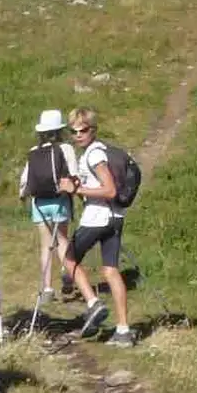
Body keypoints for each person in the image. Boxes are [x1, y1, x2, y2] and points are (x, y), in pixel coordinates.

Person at [57, 106, 134, 346]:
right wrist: (81, 187)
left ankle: (93, 303)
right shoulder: (97, 152)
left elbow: (109, 190)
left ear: (93, 130)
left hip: (97, 218)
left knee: (68, 259)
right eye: (74, 131)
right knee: (110, 270)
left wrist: (76, 189)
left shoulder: (93, 155)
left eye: (83, 130)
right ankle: (123, 331)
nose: (78, 134)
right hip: (115, 218)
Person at [19, 108, 79, 303]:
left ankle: (47, 289)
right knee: (62, 240)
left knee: (46, 245)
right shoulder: (65, 148)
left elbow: (25, 180)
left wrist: (23, 196)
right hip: (60, 200)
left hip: (39, 203)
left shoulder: (33, 152)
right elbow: (74, 175)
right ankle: (67, 272)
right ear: (60, 130)